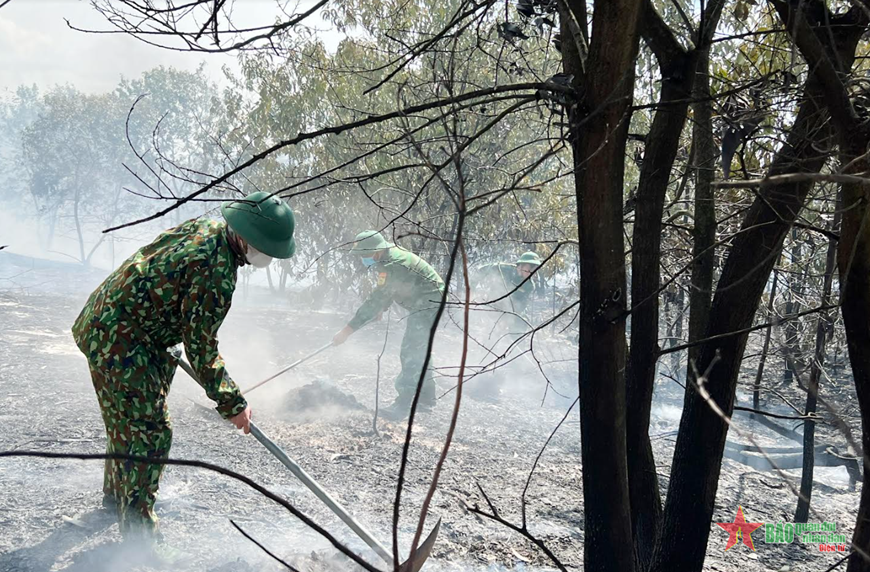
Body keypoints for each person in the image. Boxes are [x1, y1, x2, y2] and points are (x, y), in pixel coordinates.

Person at [71, 191, 296, 552]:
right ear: (245, 237)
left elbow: (164, 280)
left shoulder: (207, 227)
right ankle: (140, 540)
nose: (266, 255)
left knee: (126, 423)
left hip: (111, 322)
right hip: (123, 339)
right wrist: (232, 403)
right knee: (150, 431)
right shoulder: (216, 270)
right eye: (264, 247)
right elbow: (202, 347)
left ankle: (116, 502)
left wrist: (164, 333)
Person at [332, 230, 444, 421]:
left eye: (364, 255)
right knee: (420, 348)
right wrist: (381, 307)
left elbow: (376, 298)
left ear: (376, 251)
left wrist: (347, 330)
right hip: (425, 300)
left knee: (411, 350)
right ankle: (426, 398)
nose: (363, 259)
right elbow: (386, 293)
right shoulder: (386, 259)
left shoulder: (395, 264)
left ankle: (403, 404)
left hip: (429, 302)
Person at [474, 251, 542, 335]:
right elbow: (481, 270)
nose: (531, 274)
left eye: (534, 271)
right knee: (491, 331)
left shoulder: (529, 285)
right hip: (493, 303)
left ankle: (515, 342)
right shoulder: (503, 268)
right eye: (528, 270)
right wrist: (471, 289)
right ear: (520, 266)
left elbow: (521, 305)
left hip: (512, 310)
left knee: (520, 321)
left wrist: (508, 319)